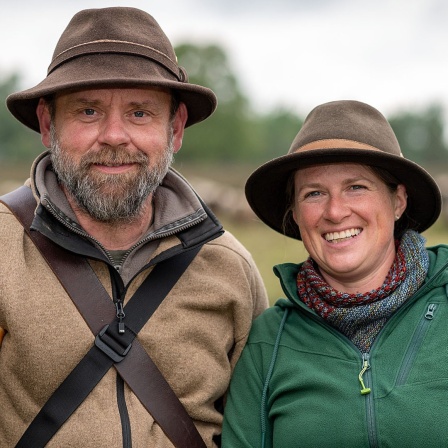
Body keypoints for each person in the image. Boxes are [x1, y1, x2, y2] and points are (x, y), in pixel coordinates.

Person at [0, 7, 268, 447]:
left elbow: (256, 429)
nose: (114, 135)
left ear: (175, 128)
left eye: (140, 113)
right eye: (88, 111)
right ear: (48, 125)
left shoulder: (229, 267)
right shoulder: (3, 247)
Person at [222, 100, 448, 447]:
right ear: (295, 214)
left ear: (398, 201)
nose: (335, 211)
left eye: (356, 187)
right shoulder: (268, 341)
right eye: (314, 193)